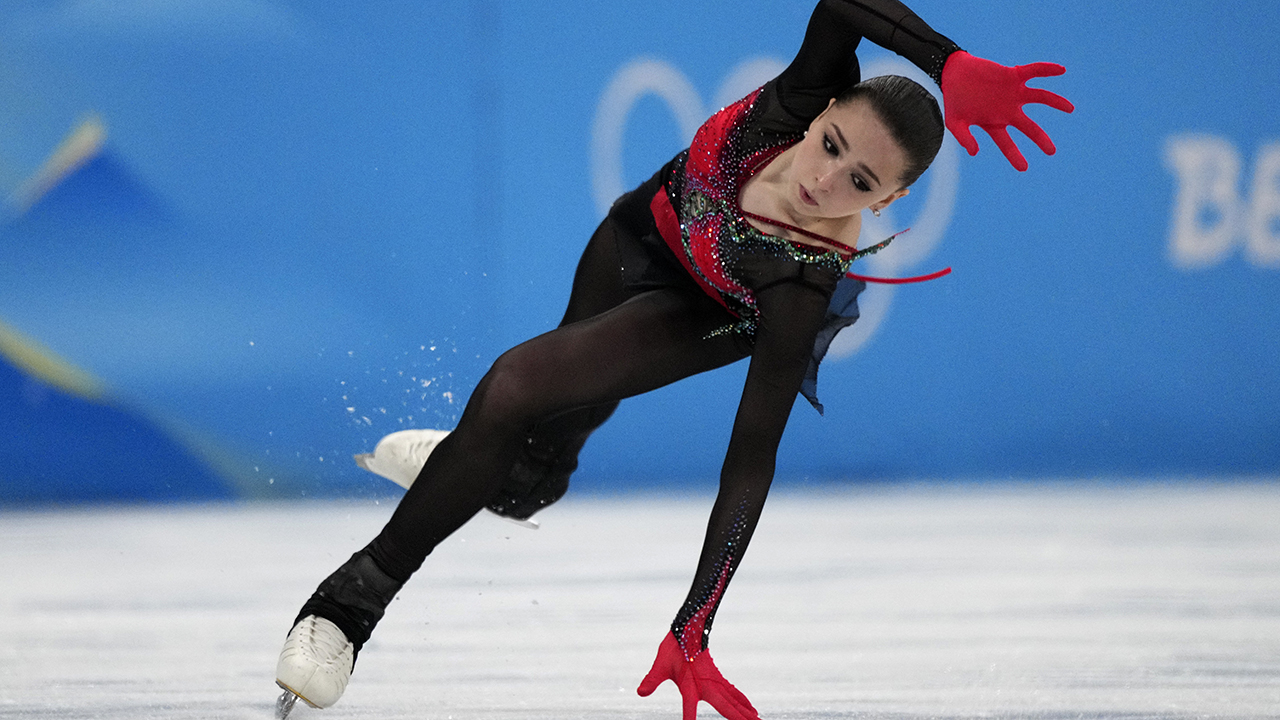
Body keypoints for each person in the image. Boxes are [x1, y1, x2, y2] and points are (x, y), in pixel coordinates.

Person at [272, 1, 1073, 718]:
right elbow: (841, 4)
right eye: (829, 144)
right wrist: (949, 61)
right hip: (639, 236)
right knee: (530, 437)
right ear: (823, 106)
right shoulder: (799, 91)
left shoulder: (801, 283)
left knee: (518, 392)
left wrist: (696, 624)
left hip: (704, 315)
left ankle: (345, 609)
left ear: (888, 202)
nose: (820, 179)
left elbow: (750, 461)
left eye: (858, 180)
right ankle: (478, 467)